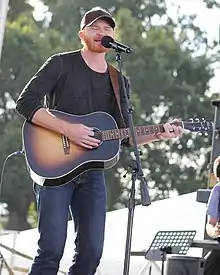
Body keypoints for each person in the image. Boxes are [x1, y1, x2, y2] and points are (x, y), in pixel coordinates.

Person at [15, 6, 183, 275]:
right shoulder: (60, 63)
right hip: (54, 168)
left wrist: (159, 132)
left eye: (107, 29)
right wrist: (69, 130)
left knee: (92, 253)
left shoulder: (119, 80)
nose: (102, 33)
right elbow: (25, 103)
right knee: (51, 250)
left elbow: (124, 135)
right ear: (82, 34)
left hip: (92, 174)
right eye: (95, 28)